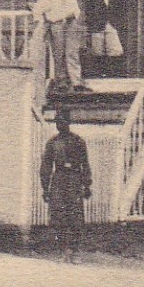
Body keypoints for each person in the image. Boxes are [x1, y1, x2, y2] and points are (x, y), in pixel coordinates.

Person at [40, 110, 92, 260]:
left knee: (75, 216)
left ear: (68, 122)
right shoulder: (52, 143)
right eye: (57, 122)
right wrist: (45, 188)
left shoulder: (78, 141)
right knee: (58, 215)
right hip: (59, 179)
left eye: (62, 121)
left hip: (74, 179)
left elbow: (85, 164)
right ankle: (63, 249)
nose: (59, 124)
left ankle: (75, 251)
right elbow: (46, 166)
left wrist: (86, 184)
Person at [31, 0, 86, 92]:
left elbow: (76, 10)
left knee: (72, 53)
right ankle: (61, 82)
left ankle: (76, 81)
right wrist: (45, 22)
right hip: (57, 25)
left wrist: (73, 17)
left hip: (70, 24)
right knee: (58, 54)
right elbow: (38, 10)